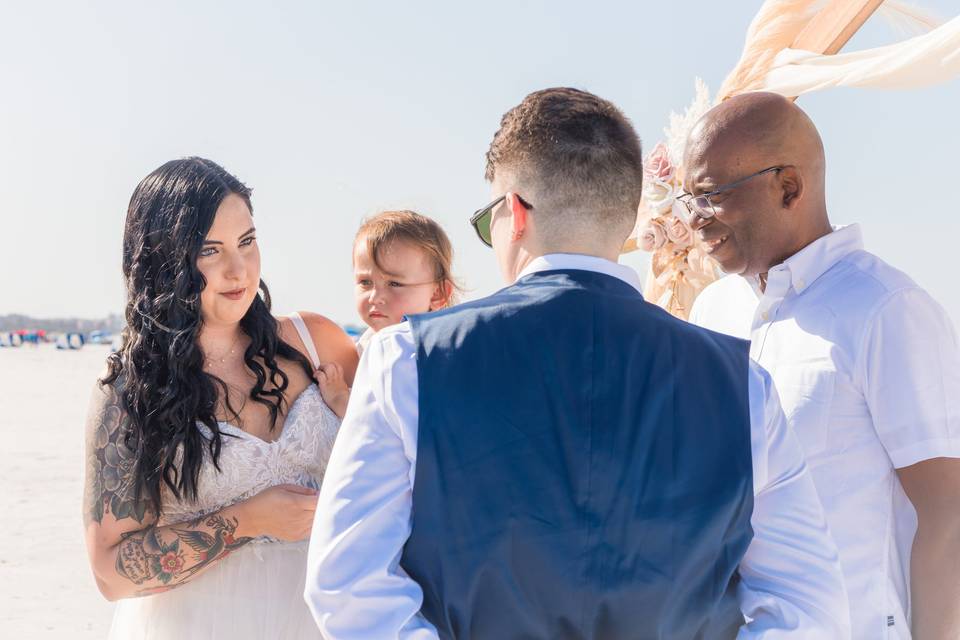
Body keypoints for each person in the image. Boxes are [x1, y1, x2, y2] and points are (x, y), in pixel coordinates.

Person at [304, 87, 850, 639]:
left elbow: (348, 587)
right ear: (625, 215)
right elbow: (811, 607)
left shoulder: (409, 361)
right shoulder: (743, 388)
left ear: (512, 214)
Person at [685, 92, 960, 639]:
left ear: (788, 186)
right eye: (686, 199)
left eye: (711, 195)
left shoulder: (885, 309)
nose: (693, 219)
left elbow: (948, 516)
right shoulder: (711, 311)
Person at [82, 157, 358, 639]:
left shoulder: (318, 342)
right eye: (210, 251)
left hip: (333, 618)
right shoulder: (132, 391)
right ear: (163, 261)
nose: (239, 270)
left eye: (247, 242)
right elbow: (110, 572)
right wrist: (246, 521)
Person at [351, 210, 458, 355]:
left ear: (437, 294)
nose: (374, 298)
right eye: (365, 282)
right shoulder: (361, 347)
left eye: (394, 284)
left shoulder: (438, 353)